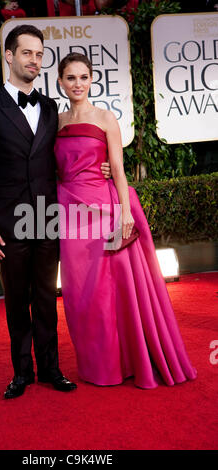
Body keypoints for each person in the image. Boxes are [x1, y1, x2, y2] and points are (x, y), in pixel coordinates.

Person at [0, 26, 110, 399]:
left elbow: (72, 157)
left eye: (40, 54)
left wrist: (103, 168)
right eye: (27, 53)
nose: (34, 60)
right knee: (17, 299)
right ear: (9, 57)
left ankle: (51, 368)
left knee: (47, 297)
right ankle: (22, 373)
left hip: (48, 217)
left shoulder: (50, 108)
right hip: (8, 223)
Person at [54, 52, 197, 388]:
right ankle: (94, 364)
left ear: (92, 80)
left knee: (107, 293)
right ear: (60, 82)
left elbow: (117, 169)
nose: (78, 84)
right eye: (71, 78)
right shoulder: (55, 122)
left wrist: (126, 213)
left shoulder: (106, 118)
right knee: (78, 296)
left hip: (104, 211)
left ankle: (121, 364)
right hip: (70, 213)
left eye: (83, 77)